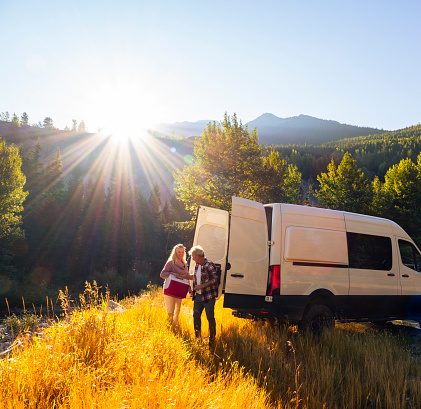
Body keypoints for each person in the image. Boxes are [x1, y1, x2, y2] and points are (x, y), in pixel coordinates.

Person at [187, 245, 219, 348]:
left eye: (193, 256)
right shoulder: (197, 265)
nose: (192, 258)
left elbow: (214, 280)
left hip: (208, 296)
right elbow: (196, 277)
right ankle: (198, 339)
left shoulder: (209, 264)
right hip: (198, 297)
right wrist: (183, 277)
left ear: (197, 255)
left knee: (210, 317)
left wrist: (202, 286)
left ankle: (212, 340)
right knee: (196, 316)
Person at [160, 243, 189, 329]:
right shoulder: (171, 262)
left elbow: (186, 276)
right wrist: (173, 274)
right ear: (175, 253)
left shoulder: (184, 264)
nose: (181, 254)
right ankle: (169, 328)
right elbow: (162, 274)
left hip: (179, 290)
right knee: (170, 311)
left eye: (182, 252)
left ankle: (175, 327)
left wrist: (190, 288)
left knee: (177, 310)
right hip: (170, 289)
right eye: (179, 252)